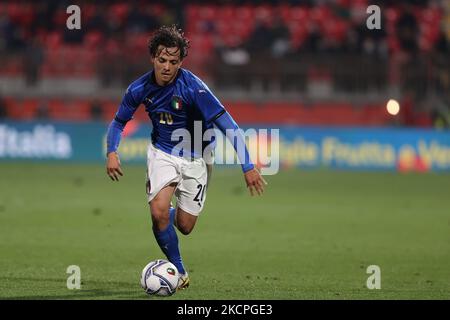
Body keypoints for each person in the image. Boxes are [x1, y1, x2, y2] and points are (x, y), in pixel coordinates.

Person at [105, 25, 267, 290]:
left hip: (198, 157)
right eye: (162, 60)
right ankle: (179, 271)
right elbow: (118, 122)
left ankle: (167, 216)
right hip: (163, 152)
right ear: (152, 59)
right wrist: (112, 151)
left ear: (180, 62)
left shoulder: (195, 89)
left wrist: (248, 166)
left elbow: (230, 127)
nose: (167, 67)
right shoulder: (139, 88)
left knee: (185, 225)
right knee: (158, 212)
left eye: (173, 61)